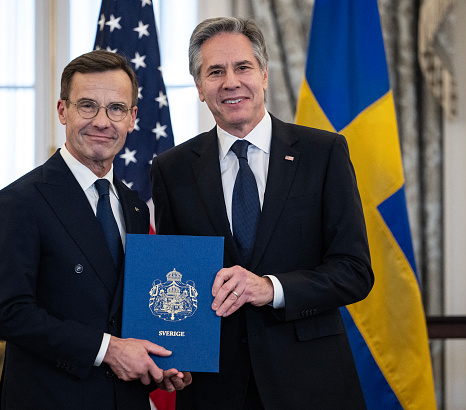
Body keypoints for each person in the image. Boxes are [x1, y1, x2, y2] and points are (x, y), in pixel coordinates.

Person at [150, 17, 374, 409]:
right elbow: (175, 271)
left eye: (242, 67)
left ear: (265, 75)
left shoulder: (323, 154)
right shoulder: (172, 169)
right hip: (213, 387)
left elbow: (354, 272)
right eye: (214, 72)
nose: (230, 82)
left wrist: (271, 288)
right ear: (200, 89)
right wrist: (176, 354)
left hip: (311, 381)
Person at [0, 50, 190, 409]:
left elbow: (131, 310)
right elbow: (10, 314)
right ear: (63, 110)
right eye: (87, 106)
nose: (102, 121)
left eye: (116, 108)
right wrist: (108, 350)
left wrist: (160, 363)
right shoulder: (19, 202)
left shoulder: (136, 207)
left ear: (132, 118)